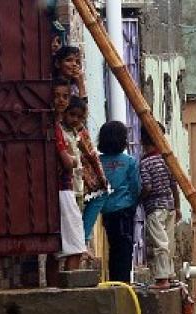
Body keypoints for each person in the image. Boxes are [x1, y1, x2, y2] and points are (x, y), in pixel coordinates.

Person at [84, 121, 140, 283]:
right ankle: (122, 283)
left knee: (113, 247)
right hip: (124, 210)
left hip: (106, 211)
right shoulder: (129, 162)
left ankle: (114, 282)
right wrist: (133, 203)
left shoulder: (98, 162)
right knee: (124, 249)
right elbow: (135, 187)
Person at [138, 127, 180, 289]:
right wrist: (177, 207)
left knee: (159, 243)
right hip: (169, 206)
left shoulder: (145, 162)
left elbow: (147, 186)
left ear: (142, 141)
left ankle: (162, 278)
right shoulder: (167, 159)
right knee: (169, 242)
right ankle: (170, 275)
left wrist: (139, 198)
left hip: (155, 207)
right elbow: (174, 184)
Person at [53, 79, 86, 270]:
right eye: (57, 96)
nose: (61, 100)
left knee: (59, 249)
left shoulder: (70, 130)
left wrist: (80, 81)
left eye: (65, 96)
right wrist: (73, 160)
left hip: (68, 188)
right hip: (64, 188)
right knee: (75, 247)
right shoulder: (58, 129)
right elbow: (67, 162)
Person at [63, 96, 107, 204]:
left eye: (80, 117)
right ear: (64, 113)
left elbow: (91, 157)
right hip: (67, 187)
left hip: (79, 187)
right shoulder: (62, 133)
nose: (75, 119)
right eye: (72, 114)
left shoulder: (78, 134)